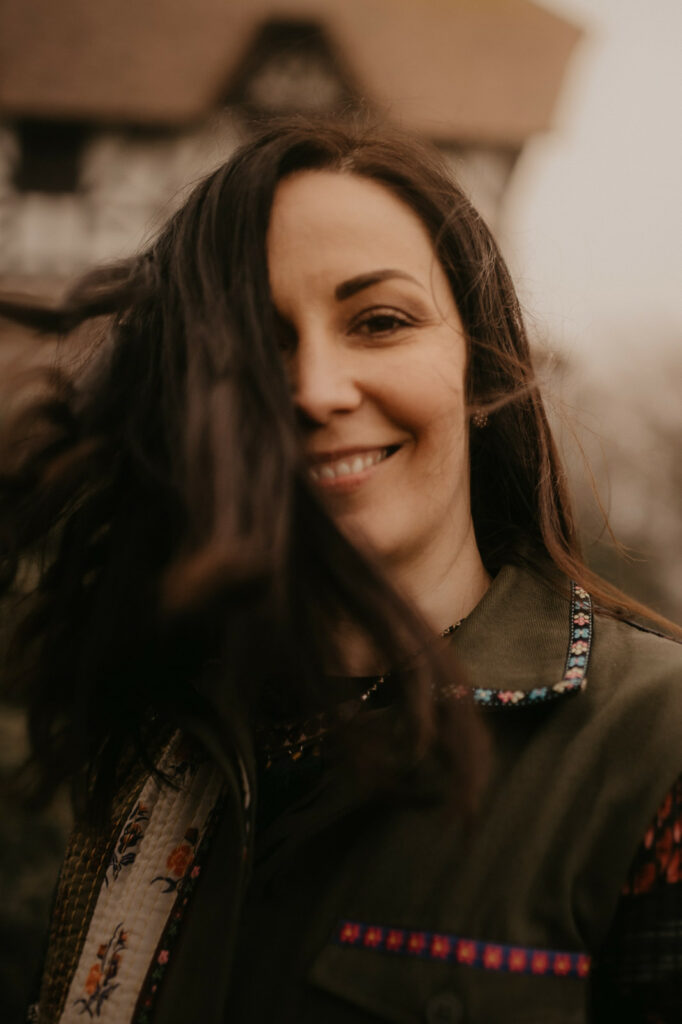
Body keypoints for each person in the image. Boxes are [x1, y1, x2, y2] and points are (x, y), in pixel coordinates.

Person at [1, 118, 681, 1024]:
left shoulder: (655, 746)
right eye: (258, 342)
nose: (316, 390)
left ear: (482, 374)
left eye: (381, 322)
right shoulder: (156, 739)